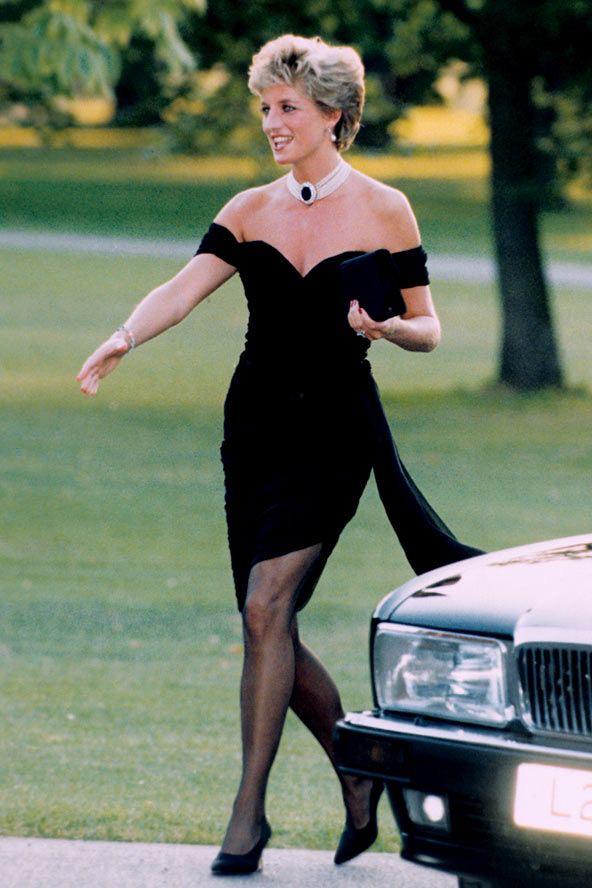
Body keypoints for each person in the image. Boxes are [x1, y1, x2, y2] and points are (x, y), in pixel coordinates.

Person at [76, 32, 485, 877]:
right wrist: (123, 336)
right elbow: (182, 290)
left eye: (287, 107)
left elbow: (431, 328)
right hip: (255, 429)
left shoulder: (386, 208)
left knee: (268, 607)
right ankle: (357, 771)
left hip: (336, 431)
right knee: (270, 624)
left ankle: (247, 817)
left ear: (333, 116)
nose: (272, 121)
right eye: (265, 107)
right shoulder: (248, 209)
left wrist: (387, 329)